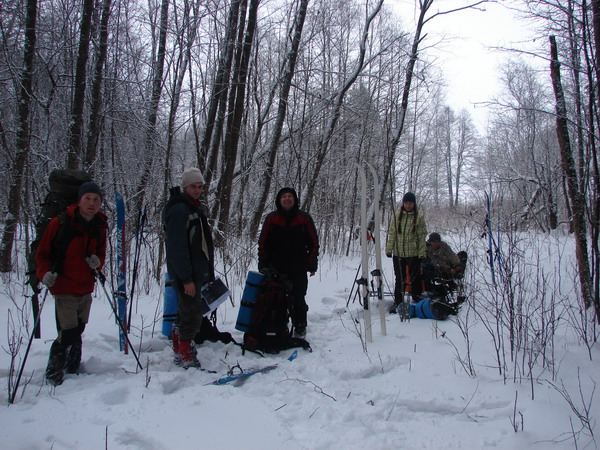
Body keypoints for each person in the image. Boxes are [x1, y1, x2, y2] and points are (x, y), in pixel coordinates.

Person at [36, 181, 108, 386]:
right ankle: (54, 373)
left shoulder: (99, 225)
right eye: (88, 198)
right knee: (67, 331)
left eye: (96, 199)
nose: (92, 203)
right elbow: (42, 253)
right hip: (63, 285)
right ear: (80, 200)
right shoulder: (60, 223)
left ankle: (73, 366)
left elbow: (101, 253)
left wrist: (98, 263)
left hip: (85, 286)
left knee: (79, 328)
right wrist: (44, 274)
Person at [163, 168, 215, 369]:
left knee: (185, 313)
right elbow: (177, 249)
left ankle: (179, 349)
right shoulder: (179, 211)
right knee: (192, 315)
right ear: (185, 186)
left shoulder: (192, 208)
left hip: (194, 272)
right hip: (187, 275)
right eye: (193, 186)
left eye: (200, 187)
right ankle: (186, 355)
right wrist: (186, 279)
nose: (197, 190)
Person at [258, 187, 319, 338]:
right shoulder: (271, 218)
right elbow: (262, 243)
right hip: (275, 268)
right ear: (279, 200)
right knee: (276, 298)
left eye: (290, 196)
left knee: (298, 298)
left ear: (295, 199)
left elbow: (314, 243)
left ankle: (300, 326)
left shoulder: (304, 218)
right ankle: (278, 325)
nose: (287, 199)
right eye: (284, 196)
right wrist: (263, 264)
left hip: (298, 267)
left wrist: (311, 264)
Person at [385, 192, 428, 311]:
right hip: (399, 254)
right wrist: (389, 249)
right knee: (400, 278)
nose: (408, 205)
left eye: (410, 203)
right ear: (403, 203)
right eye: (406, 203)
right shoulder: (397, 216)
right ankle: (398, 301)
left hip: (413, 254)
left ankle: (416, 297)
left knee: (415, 277)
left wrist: (422, 253)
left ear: (414, 204)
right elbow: (392, 234)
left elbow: (421, 237)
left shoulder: (418, 217)